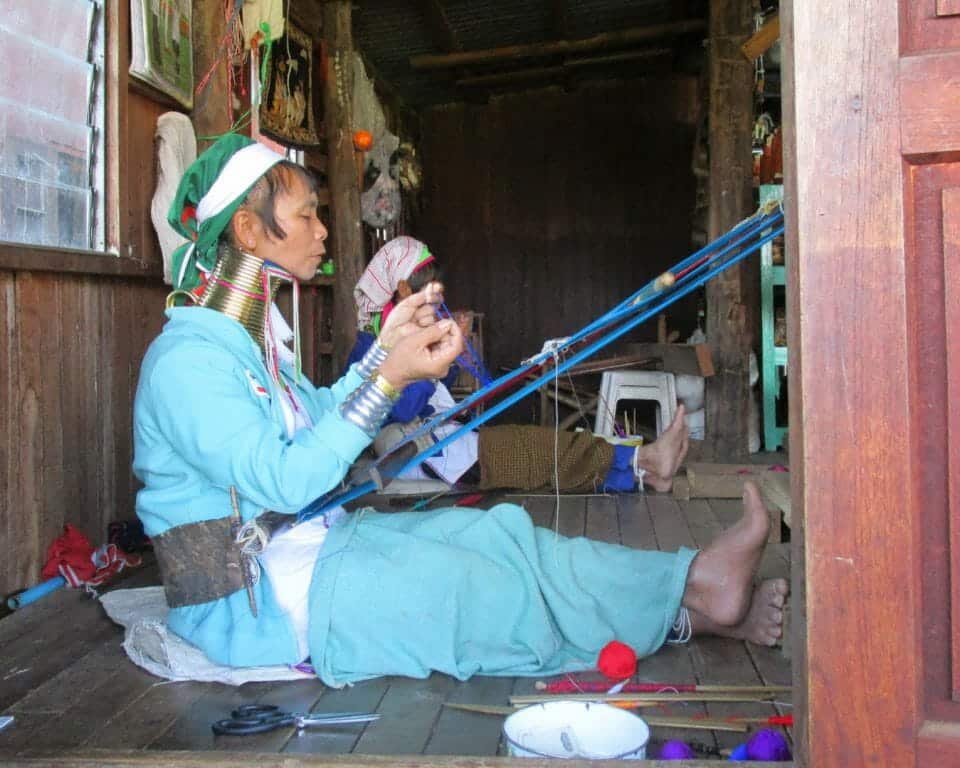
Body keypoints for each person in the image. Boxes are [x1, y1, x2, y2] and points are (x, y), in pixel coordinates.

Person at [132, 134, 787, 689]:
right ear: (248, 229)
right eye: (306, 215)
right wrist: (387, 376)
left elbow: (320, 417)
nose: (323, 230)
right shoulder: (188, 362)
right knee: (477, 589)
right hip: (261, 609)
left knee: (499, 535)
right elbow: (284, 481)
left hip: (321, 552)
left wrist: (382, 358)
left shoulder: (255, 346)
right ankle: (689, 611)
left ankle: (696, 579)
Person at [347, 235, 689, 493]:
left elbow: (436, 388)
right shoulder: (373, 346)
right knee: (542, 451)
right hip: (431, 459)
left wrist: (449, 358)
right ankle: (645, 461)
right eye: (430, 292)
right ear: (404, 289)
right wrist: (437, 357)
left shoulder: (406, 332)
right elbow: (404, 408)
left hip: (448, 444)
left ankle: (642, 471)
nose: (438, 301)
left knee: (544, 450)